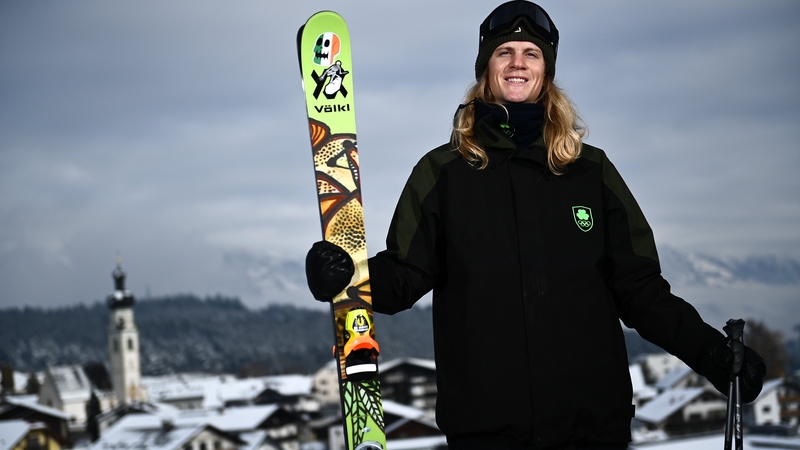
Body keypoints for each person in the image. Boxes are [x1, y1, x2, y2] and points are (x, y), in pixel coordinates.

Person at [305, 2, 766, 449]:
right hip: (486, 428)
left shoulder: (591, 172)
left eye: (531, 54)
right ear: (486, 69)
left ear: (546, 71)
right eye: (504, 52)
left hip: (592, 426)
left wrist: (711, 354)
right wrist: (348, 274)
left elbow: (641, 291)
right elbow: (405, 275)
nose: (517, 63)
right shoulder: (444, 173)